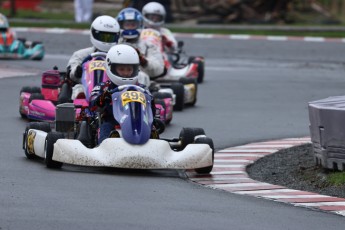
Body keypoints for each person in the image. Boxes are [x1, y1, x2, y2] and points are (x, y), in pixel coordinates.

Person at [89, 44, 160, 144]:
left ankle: (154, 144)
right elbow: (92, 106)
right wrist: (103, 97)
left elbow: (150, 109)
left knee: (152, 127)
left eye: (129, 69)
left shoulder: (141, 88)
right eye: (122, 69)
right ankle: (106, 144)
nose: (126, 73)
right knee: (106, 127)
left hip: (137, 121)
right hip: (112, 121)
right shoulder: (104, 87)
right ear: (111, 68)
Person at [67, 15, 120, 84]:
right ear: (94, 33)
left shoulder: (120, 56)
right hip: (85, 87)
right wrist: (78, 71)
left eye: (110, 38)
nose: (106, 41)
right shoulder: (81, 55)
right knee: (77, 90)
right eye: (103, 37)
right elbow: (71, 74)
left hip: (111, 89)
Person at [116, 7, 166, 81]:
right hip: (116, 80)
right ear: (121, 25)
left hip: (142, 84)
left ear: (140, 25)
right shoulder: (115, 45)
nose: (130, 28)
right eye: (127, 25)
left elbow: (159, 70)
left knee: (141, 76)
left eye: (133, 25)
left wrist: (143, 60)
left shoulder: (148, 45)